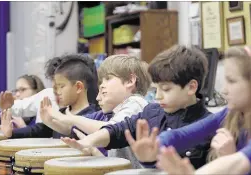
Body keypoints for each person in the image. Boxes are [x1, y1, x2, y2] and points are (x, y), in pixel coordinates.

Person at [61, 45, 212, 169]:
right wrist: (89, 141)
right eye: (156, 88)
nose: (158, 96)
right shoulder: (152, 112)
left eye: (166, 89)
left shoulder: (211, 126)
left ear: (191, 87)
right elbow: (118, 130)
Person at [127, 45, 251, 173]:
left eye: (231, 81)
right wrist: (154, 147)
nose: (224, 90)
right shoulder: (229, 114)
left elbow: (241, 162)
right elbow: (181, 135)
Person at [43, 54, 151, 168]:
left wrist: (69, 118)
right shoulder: (114, 112)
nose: (102, 85)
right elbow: (73, 127)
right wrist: (50, 121)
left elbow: (111, 129)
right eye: (101, 81)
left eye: (108, 78)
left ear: (130, 81)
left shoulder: (136, 103)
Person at [0, 54, 98, 139]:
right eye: (55, 86)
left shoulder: (93, 117)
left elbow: (73, 129)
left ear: (78, 87)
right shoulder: (61, 111)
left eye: (61, 86)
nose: (57, 91)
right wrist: (12, 133)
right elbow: (41, 130)